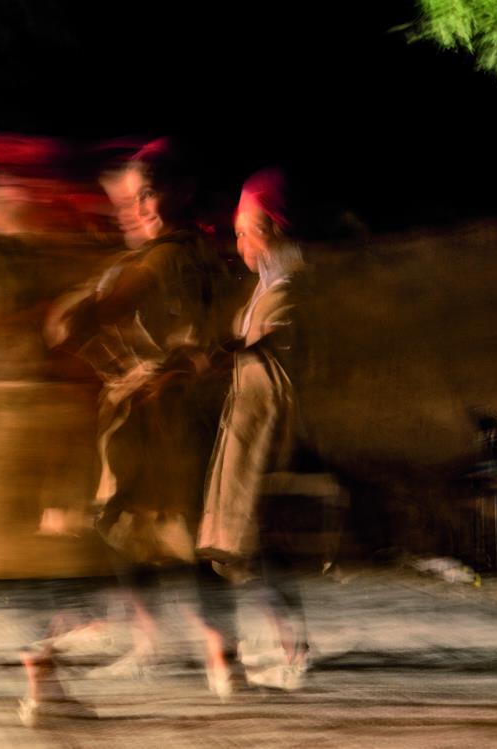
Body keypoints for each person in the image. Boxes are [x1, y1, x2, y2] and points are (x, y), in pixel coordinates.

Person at [46, 138, 239, 699]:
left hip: (165, 415)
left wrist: (83, 312)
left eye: (148, 194)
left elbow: (82, 321)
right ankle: (207, 651)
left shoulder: (165, 256)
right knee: (165, 527)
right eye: (129, 199)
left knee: (155, 524)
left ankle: (196, 648)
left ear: (182, 191)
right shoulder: (202, 250)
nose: (137, 208)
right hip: (177, 407)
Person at [197, 167, 312, 690]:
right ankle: (282, 643)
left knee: (256, 539)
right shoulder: (265, 288)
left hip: (265, 431)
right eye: (238, 232)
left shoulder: (290, 287)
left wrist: (205, 353)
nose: (240, 243)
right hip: (246, 429)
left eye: (248, 231)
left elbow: (261, 341)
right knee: (246, 542)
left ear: (273, 231)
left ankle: (291, 646)